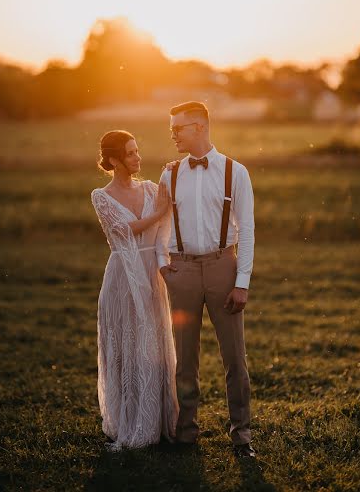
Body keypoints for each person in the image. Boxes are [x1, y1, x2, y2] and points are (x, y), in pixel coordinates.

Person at [159, 101, 256, 458]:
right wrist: (162, 264)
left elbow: (246, 229)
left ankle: (241, 433)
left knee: (234, 357)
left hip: (222, 268)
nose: (172, 134)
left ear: (199, 127)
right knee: (185, 358)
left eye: (178, 128)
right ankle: (186, 432)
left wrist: (242, 281)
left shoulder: (236, 172)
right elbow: (161, 221)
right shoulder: (169, 173)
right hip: (181, 270)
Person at [91, 130, 178, 450]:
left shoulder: (151, 189)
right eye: (130, 153)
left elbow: (168, 218)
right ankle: (131, 420)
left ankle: (159, 419)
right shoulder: (100, 196)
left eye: (137, 150)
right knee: (128, 344)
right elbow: (123, 231)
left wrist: (173, 172)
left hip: (152, 273)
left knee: (153, 343)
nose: (138, 157)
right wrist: (156, 214)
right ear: (113, 160)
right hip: (123, 276)